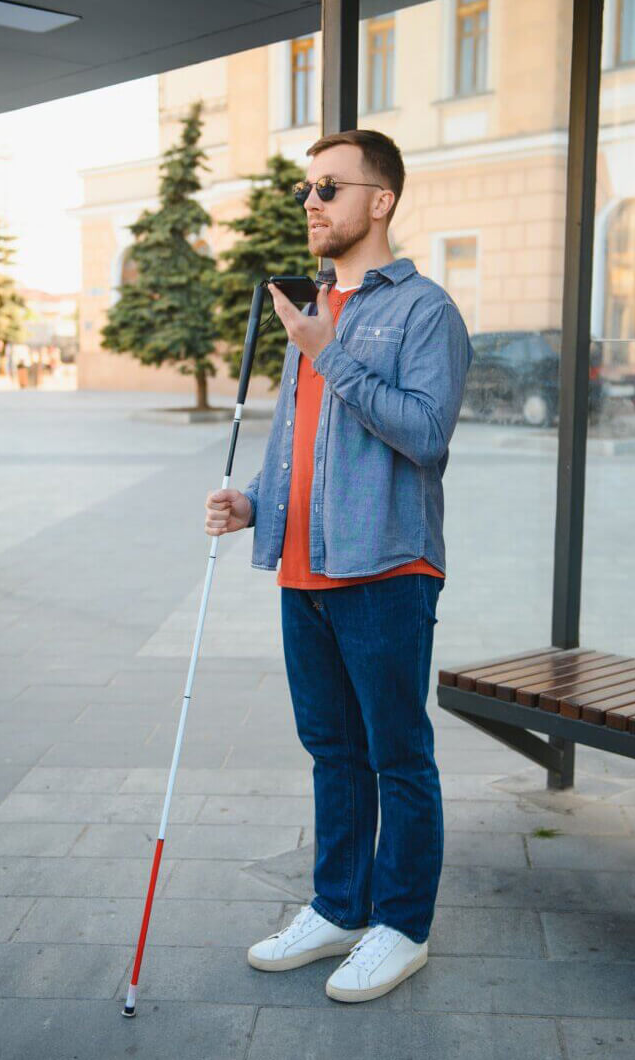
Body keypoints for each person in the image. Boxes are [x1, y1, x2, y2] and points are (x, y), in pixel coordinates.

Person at [204, 128, 473, 1003]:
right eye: (304, 190)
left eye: (328, 186)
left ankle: (401, 928)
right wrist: (253, 502)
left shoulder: (423, 310)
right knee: (331, 751)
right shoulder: (311, 308)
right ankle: (337, 907)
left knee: (397, 754)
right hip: (303, 569)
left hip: (387, 569)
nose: (311, 202)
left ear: (380, 200)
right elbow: (300, 440)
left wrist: (330, 351)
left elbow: (424, 437)